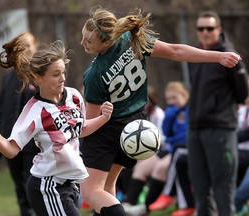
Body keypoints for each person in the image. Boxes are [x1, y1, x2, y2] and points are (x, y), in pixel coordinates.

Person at [79, 7, 242, 216]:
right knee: (107, 191)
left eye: (88, 40)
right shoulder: (130, 39)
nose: (82, 43)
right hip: (134, 124)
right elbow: (176, 51)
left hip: (108, 129)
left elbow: (92, 123)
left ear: (105, 40)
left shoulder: (94, 74)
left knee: (90, 191)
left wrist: (74, 134)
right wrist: (217, 56)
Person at [0, 34, 113, 216]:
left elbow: (79, 130)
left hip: (71, 183)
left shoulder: (73, 96)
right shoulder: (34, 110)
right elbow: (11, 149)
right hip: (48, 186)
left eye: (63, 72)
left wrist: (103, 118)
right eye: (56, 74)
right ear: (37, 78)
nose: (62, 78)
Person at [186, 11, 248, 216]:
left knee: (223, 184)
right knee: (200, 185)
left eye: (210, 28)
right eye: (201, 28)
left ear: (219, 30)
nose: (205, 32)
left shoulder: (229, 57)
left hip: (220, 129)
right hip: (195, 128)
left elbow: (242, 93)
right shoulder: (193, 55)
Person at [124, 81, 189, 216]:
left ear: (184, 96)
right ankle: (128, 204)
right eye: (169, 99)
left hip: (179, 150)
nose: (171, 102)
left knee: (160, 168)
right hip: (168, 149)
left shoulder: (188, 111)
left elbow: (164, 137)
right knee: (140, 168)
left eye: (174, 98)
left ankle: (146, 208)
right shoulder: (171, 112)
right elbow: (167, 132)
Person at [0, 32, 39, 216]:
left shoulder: (39, 73)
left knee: (31, 183)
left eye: (29, 45)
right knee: (19, 186)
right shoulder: (8, 77)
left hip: (31, 144)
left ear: (35, 47)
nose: (26, 50)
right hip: (9, 140)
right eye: (22, 46)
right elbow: (1, 109)